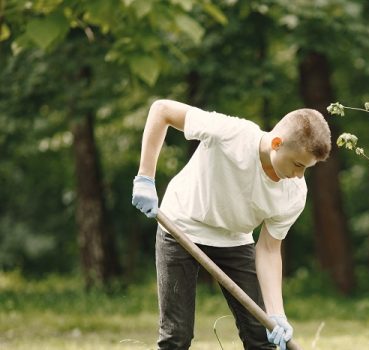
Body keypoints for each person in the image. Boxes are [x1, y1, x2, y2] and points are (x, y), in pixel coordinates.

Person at [131, 99, 331, 350]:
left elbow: (269, 250)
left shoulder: (294, 193)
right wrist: (145, 177)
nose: (299, 176)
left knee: (262, 337)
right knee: (176, 337)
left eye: (306, 169)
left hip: (234, 239)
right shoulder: (231, 133)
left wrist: (276, 314)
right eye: (298, 165)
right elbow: (162, 111)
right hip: (180, 226)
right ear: (277, 144)